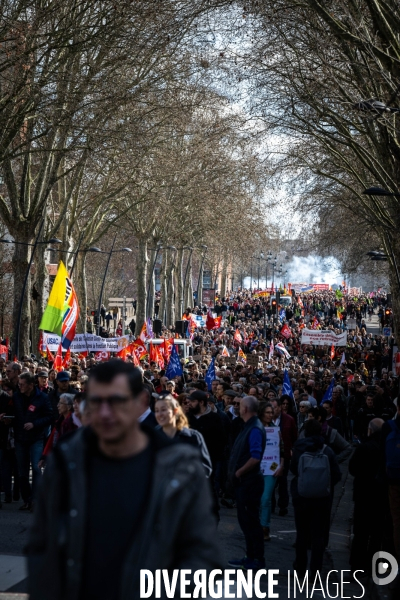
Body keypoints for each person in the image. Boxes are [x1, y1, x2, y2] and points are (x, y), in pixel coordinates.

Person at [26, 360, 222, 600]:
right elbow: (41, 544)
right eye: (97, 402)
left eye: (117, 401)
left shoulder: (178, 464)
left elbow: (201, 552)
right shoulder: (68, 460)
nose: (106, 412)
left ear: (140, 402)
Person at [290, 419, 341, 578]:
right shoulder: (327, 450)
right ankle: (316, 570)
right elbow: (337, 474)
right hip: (322, 499)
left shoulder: (299, 448)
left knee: (302, 533)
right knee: (318, 535)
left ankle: (300, 568)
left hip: (302, 496)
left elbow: (293, 469)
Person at [227, 395, 266, 570]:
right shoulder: (248, 427)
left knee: (251, 522)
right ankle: (250, 556)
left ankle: (257, 559)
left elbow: (255, 457)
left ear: (245, 409)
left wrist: (239, 472)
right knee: (245, 522)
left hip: (249, 483)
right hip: (244, 482)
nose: (236, 408)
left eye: (239, 405)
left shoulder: (255, 429)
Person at [349, 418, 389, 574]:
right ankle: (372, 565)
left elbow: (353, 468)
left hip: (363, 494)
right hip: (380, 495)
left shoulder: (364, 448)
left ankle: (357, 565)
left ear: (370, 430)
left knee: (361, 532)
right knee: (376, 533)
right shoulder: (385, 448)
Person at [13, 372, 52, 511]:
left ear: (31, 385)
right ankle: (27, 500)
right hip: (20, 438)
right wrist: (6, 417)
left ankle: (36, 500)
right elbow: (14, 414)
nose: (20, 386)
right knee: (22, 472)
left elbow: (50, 417)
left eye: (22, 384)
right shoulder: (16, 396)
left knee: (36, 468)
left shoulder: (42, 397)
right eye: (19, 384)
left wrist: (34, 424)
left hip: (36, 438)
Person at [154, 394, 212, 476]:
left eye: (163, 410)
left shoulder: (192, 436)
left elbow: (205, 468)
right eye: (156, 410)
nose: (159, 414)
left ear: (175, 411)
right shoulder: (151, 438)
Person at [259, 402, 284, 541]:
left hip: (271, 467)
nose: (270, 414)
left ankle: (265, 527)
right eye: (267, 412)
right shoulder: (254, 428)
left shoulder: (276, 430)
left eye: (271, 412)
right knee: (255, 499)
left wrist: (281, 465)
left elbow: (282, 449)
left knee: (266, 498)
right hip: (255, 468)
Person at [269, 397, 297, 516]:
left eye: (274, 408)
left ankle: (283, 506)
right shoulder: (266, 419)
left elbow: (294, 436)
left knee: (282, 481)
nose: (272, 410)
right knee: (271, 480)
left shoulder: (288, 420)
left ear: (280, 408)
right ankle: (271, 504)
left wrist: (290, 449)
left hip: (284, 456)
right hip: (270, 457)